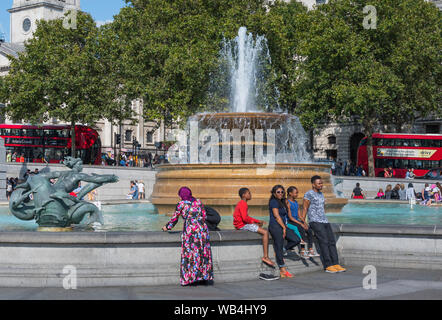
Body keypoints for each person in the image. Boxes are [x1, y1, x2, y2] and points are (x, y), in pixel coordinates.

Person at [162, 187, 213, 286]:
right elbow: (204, 215)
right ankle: (204, 277)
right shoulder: (198, 202)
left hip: (191, 231)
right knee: (203, 253)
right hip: (202, 230)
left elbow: (174, 219)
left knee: (190, 254)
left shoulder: (181, 204)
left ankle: (190, 278)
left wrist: (167, 227)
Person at [302, 175, 346, 273]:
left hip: (324, 221)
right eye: (319, 183)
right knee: (324, 242)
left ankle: (336, 263)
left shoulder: (321, 194)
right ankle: (328, 265)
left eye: (322, 183)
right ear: (313, 184)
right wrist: (303, 221)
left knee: (331, 241)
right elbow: (305, 208)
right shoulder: (309, 194)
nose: (321, 185)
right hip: (315, 221)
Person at [233, 188, 275, 269]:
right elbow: (245, 218)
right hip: (242, 225)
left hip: (240, 224)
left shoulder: (242, 203)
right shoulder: (243, 204)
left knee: (259, 225)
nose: (250, 195)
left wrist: (257, 221)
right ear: (243, 195)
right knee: (265, 232)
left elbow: (246, 217)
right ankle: (265, 257)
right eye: (249, 193)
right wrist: (255, 222)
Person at [268, 185, 301, 279]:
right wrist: (283, 227)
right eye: (278, 192)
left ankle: (282, 251)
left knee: (296, 239)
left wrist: (284, 227)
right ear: (274, 193)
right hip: (275, 226)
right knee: (278, 245)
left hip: (282, 226)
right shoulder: (273, 202)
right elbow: (276, 216)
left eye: (282, 192)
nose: (280, 193)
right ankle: (283, 270)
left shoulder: (282, 202)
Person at [286, 186, 318, 259]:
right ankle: (302, 251)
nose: (297, 194)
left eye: (297, 193)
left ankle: (310, 249)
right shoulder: (287, 202)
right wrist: (300, 224)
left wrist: (304, 223)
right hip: (290, 221)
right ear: (290, 193)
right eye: (296, 193)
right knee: (301, 229)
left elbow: (299, 215)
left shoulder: (296, 202)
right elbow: (290, 217)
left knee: (309, 230)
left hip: (296, 221)